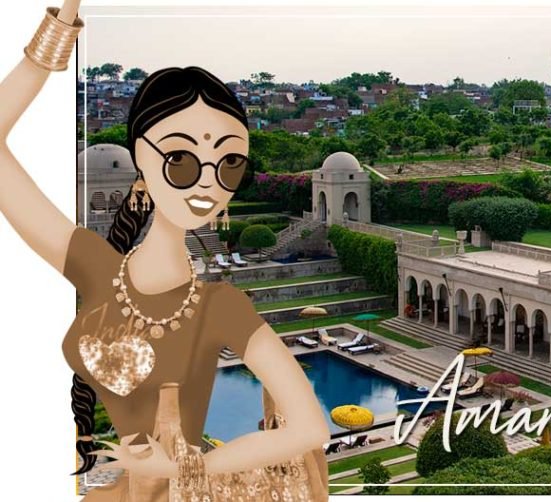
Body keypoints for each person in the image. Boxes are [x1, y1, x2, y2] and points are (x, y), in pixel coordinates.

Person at [0, 2, 328, 499]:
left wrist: (186, 470)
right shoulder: (94, 265)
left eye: (229, 164)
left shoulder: (220, 307)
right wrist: (57, 32)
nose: (209, 183)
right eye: (181, 160)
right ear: (141, 160)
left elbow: (310, 429)